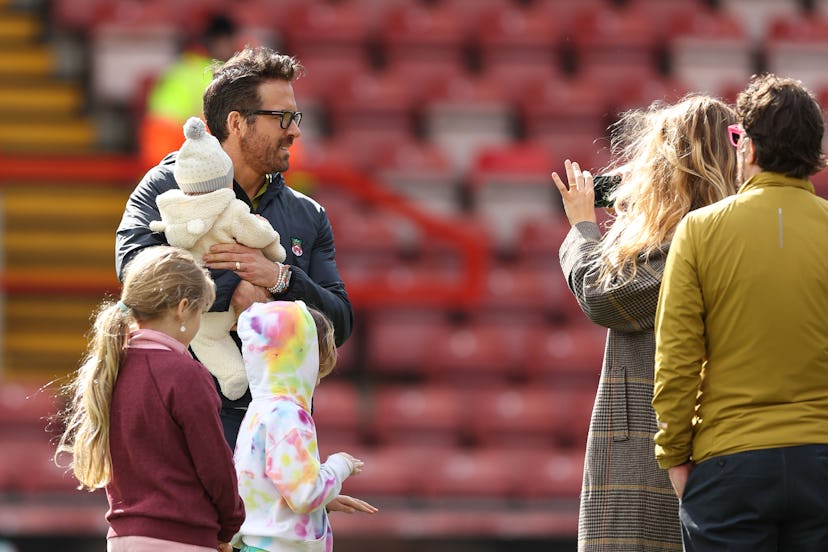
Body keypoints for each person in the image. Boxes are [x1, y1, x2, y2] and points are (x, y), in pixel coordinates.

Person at [116, 45, 354, 450]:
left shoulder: (309, 214)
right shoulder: (162, 189)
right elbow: (138, 280)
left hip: (278, 431)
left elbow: (340, 322)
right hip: (180, 424)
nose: (295, 131)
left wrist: (279, 279)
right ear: (236, 123)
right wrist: (234, 287)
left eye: (295, 118)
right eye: (281, 118)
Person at [551, 94, 739, 551]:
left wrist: (582, 227)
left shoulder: (688, 245)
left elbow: (600, 294)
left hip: (654, 459)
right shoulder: (732, 235)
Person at [652, 74, 828, 550]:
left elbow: (678, 362)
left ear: (746, 147)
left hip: (730, 466)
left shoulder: (700, 231)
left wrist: (674, 459)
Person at [55, 246, 245, 552]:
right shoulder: (185, 373)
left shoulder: (110, 368)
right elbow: (215, 467)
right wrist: (231, 524)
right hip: (181, 538)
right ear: (183, 308)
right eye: (200, 313)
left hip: (122, 538)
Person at [149, 116, 286, 401]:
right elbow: (258, 236)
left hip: (202, 307)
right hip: (240, 305)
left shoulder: (172, 212)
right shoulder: (231, 209)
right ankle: (256, 381)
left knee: (205, 338)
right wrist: (275, 252)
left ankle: (232, 376)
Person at [232, 300, 377, 551]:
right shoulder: (288, 415)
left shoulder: (259, 409)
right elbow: (305, 494)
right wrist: (339, 465)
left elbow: (260, 486)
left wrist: (326, 500)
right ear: (305, 355)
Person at [138, 13, 239, 171]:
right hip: (174, 142)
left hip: (154, 143)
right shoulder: (211, 71)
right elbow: (210, 121)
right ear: (221, 40)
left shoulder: (183, 63)